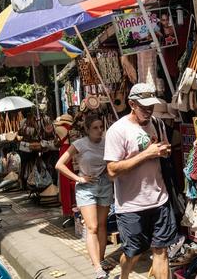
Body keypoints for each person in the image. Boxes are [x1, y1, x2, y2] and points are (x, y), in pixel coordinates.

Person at [104, 83, 177, 279]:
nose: (148, 111)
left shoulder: (158, 123)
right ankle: (124, 275)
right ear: (131, 104)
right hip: (130, 205)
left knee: (161, 251)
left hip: (159, 199)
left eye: (151, 106)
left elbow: (164, 150)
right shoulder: (117, 130)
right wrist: (146, 154)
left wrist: (164, 151)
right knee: (133, 253)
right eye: (143, 107)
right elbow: (111, 171)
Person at [55, 114, 113, 279]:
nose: (99, 131)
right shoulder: (79, 144)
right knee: (92, 227)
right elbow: (59, 165)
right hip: (86, 187)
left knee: (102, 226)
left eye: (101, 127)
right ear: (87, 129)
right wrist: (78, 178)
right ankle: (97, 268)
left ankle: (100, 260)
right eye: (95, 128)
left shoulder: (107, 143)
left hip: (105, 184)